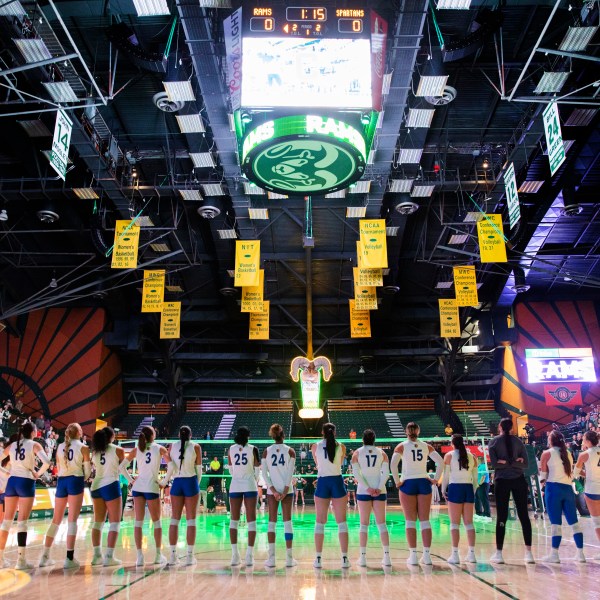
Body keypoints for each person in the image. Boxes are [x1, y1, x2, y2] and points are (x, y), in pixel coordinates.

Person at [390, 422, 443, 566]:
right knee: (425, 521)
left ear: (406, 432)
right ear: (418, 431)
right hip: (423, 482)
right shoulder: (426, 446)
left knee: (410, 521)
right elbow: (441, 462)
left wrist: (397, 481)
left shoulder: (401, 446)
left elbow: (393, 464)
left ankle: (413, 556)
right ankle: (427, 556)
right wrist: (436, 479)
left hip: (408, 483)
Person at [39, 423, 91, 569]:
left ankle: (45, 556)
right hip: (75, 480)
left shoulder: (61, 446)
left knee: (56, 520)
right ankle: (69, 559)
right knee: (72, 520)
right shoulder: (84, 447)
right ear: (79, 432)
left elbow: (59, 467)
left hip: (62, 481)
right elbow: (87, 472)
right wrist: (84, 478)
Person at [0, 422, 51, 569]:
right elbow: (47, 462)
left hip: (12, 482)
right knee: (22, 522)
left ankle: (1, 559)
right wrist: (38, 473)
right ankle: (21, 561)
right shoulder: (35, 445)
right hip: (26, 482)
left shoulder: (13, 445)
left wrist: (6, 473)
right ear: (34, 432)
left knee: (6, 522)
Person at [488, 417, 534, 564]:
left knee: (501, 517)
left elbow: (496, 464)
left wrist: (505, 462)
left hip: (502, 482)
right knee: (524, 516)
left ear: (500, 427)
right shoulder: (519, 442)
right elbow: (525, 464)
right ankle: (529, 554)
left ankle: (499, 554)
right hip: (518, 480)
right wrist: (515, 462)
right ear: (511, 427)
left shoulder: (493, 442)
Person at [539, 430, 586, 563]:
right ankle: (581, 554)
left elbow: (543, 477)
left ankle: (554, 555)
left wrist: (542, 487)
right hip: (567, 489)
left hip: (553, 489)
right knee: (574, 522)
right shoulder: (569, 454)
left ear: (550, 440)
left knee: (556, 524)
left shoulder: (546, 453)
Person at [127, 425, 170, 566]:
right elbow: (173, 466)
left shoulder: (137, 449)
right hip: (151, 487)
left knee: (138, 523)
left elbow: (121, 466)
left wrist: (131, 480)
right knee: (157, 522)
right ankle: (158, 555)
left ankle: (139, 557)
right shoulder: (159, 448)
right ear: (153, 435)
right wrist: (163, 481)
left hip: (138, 487)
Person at [90, 426, 131, 566]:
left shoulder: (95, 452)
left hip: (96, 486)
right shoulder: (118, 450)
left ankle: (96, 556)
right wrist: (131, 480)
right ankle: (109, 557)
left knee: (98, 522)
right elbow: (122, 468)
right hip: (111, 485)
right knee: (114, 522)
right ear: (112, 436)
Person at [311, 423, 350, 569]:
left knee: (320, 521)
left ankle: (318, 559)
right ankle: (345, 559)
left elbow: (318, 464)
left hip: (323, 481)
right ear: (334, 432)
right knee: (342, 522)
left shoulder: (315, 446)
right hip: (337, 481)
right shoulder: (342, 446)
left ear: (322, 432)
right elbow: (339, 463)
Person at [161, 425, 202, 566]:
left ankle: (172, 556)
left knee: (174, 520)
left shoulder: (172, 446)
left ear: (179, 434)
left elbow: (170, 467)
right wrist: (194, 485)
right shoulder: (196, 447)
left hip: (177, 483)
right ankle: (190, 556)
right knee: (191, 520)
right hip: (190, 481)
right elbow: (199, 472)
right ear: (191, 435)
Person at [351, 428, 391, 567]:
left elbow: (356, 474)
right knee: (382, 524)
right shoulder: (382, 453)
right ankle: (387, 557)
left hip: (363, 491)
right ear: (374, 439)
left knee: (364, 525)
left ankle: (362, 558)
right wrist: (378, 488)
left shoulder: (357, 453)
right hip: (380, 491)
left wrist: (368, 488)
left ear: (363, 439)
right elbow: (386, 473)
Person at [261, 423, 297, 568]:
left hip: (272, 492)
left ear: (272, 435)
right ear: (283, 435)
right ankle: (289, 559)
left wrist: (274, 491)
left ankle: (271, 559)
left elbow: (264, 474)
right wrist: (285, 490)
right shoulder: (290, 451)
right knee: (287, 523)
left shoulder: (266, 451)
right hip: (286, 491)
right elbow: (290, 473)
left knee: (272, 523)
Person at [441, 434, 478, 564]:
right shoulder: (472, 456)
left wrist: (442, 489)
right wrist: (473, 491)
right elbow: (475, 479)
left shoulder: (449, 456)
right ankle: (472, 555)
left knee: (454, 523)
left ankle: (455, 555)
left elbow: (445, 476)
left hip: (455, 487)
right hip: (468, 488)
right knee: (469, 523)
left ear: (452, 443)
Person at [228, 426, 260, 566]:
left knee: (234, 520)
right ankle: (249, 556)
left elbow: (230, 469)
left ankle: (235, 556)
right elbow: (257, 468)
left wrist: (237, 476)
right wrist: (254, 479)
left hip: (235, 484)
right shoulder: (253, 448)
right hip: (249, 484)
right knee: (251, 520)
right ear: (248, 436)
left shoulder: (231, 448)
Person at [573, 430, 600, 555]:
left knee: (597, 521)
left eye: (583, 439)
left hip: (593, 490)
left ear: (588, 441)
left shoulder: (584, 454)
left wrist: (586, 474)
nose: (582, 441)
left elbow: (575, 473)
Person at [475, 456, 491, 520]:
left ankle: (487, 514)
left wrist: (479, 483)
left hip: (483, 485)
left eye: (477, 460)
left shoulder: (483, 466)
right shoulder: (478, 467)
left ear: (479, 460)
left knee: (484, 499)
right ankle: (478, 513)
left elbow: (483, 476)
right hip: (478, 485)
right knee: (477, 499)